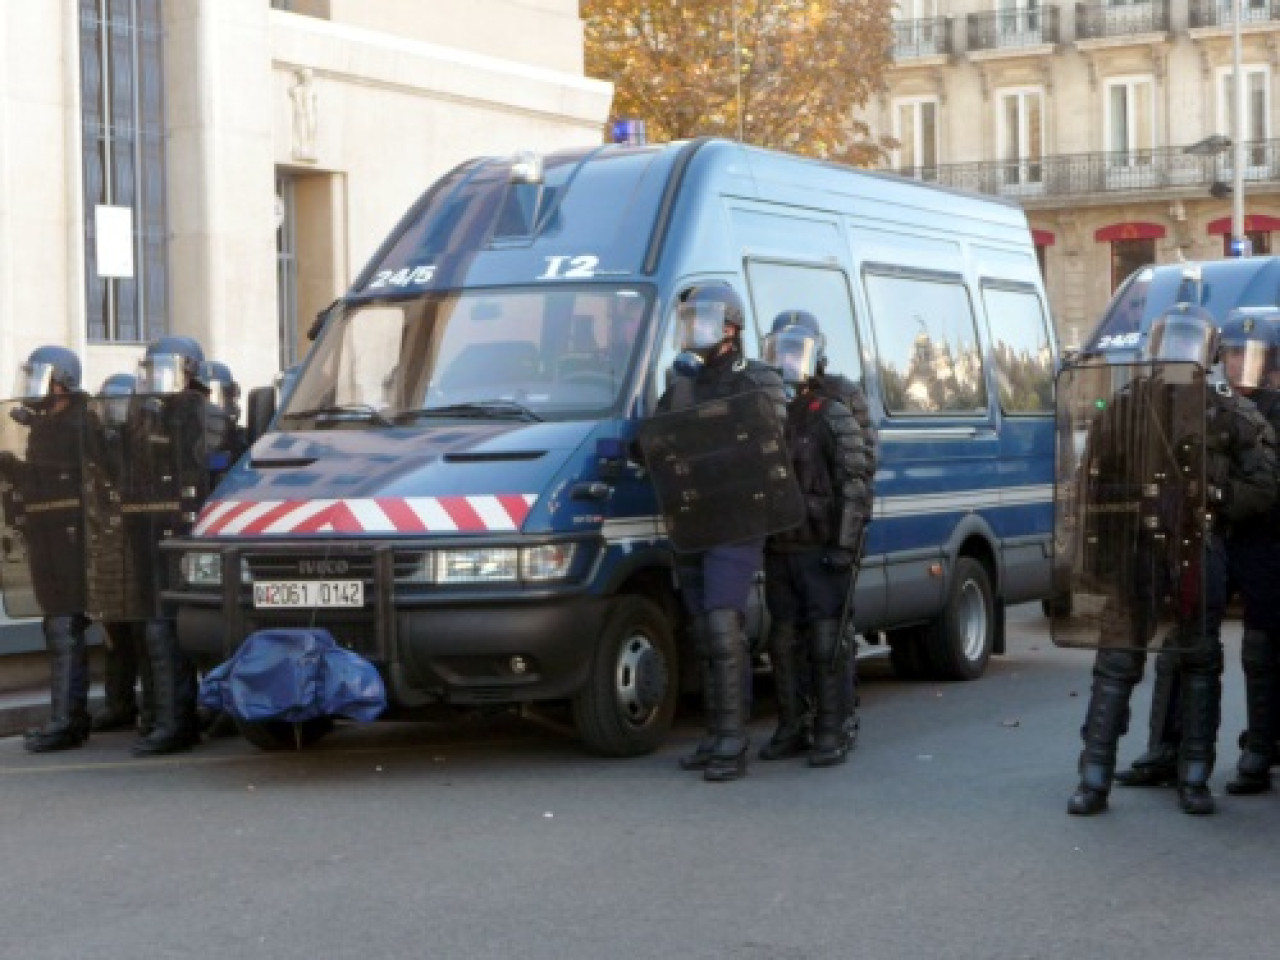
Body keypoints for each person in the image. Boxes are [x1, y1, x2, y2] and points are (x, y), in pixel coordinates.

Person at [1066, 306, 1277, 816]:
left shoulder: (1229, 411)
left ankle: (1194, 775)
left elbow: (1265, 485)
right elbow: (1090, 478)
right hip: (1138, 547)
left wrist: (1213, 495)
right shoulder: (1127, 407)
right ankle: (1094, 777)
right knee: (1118, 660)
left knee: (1198, 660)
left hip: (1196, 549)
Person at [652, 283, 788, 782]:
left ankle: (734, 738)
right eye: (688, 319)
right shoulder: (682, 386)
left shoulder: (757, 379)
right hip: (693, 519)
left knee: (720, 623)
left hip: (736, 517)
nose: (694, 328)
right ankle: (714, 734)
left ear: (731, 326)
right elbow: (656, 441)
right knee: (698, 628)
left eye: (703, 318)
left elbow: (771, 441)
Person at [758, 311, 877, 767]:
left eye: (795, 350)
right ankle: (794, 724)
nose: (787, 360)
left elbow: (855, 478)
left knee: (828, 640)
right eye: (780, 351)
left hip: (823, 546)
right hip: (782, 545)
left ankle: (834, 725)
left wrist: (845, 545)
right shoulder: (769, 412)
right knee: (784, 641)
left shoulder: (835, 408)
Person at [0, 346, 99, 752]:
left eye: (43, 378)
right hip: (46, 536)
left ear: (62, 382)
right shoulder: (44, 425)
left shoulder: (79, 423)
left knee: (64, 625)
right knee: (55, 625)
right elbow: (40, 482)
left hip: (72, 537)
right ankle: (69, 717)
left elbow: (68, 479)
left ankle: (66, 720)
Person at [126, 335, 212, 757]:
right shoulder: (152, 416)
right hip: (152, 526)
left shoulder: (204, 417)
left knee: (170, 627)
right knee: (153, 627)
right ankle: (163, 717)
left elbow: (197, 461)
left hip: (191, 532)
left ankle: (180, 721)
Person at [89, 372, 150, 734]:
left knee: (143, 630)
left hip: (136, 541)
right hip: (108, 545)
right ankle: (119, 702)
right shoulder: (98, 441)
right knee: (113, 631)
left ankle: (153, 705)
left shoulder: (141, 443)